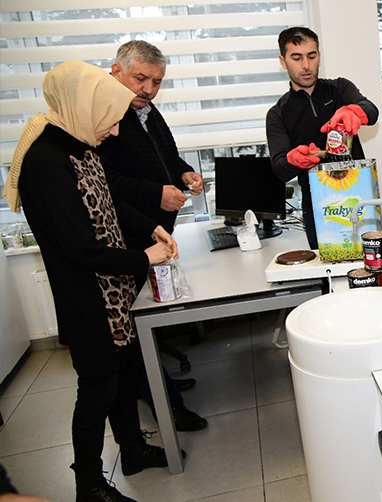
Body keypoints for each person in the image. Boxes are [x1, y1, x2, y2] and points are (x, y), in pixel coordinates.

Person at [4, 60, 181, 502]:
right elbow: (80, 249)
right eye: (110, 121)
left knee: (123, 375)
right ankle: (89, 484)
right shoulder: (46, 162)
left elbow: (110, 202)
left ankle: (133, 450)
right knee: (97, 392)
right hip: (88, 299)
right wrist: (144, 257)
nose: (115, 131)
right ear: (84, 106)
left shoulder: (79, 144)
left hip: (114, 291)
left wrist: (151, 228)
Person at [96, 40, 208, 432]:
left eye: (157, 82)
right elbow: (106, 183)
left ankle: (161, 386)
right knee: (134, 328)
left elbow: (164, 157)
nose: (148, 89)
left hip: (157, 231)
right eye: (140, 78)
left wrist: (183, 172)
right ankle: (170, 406)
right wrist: (156, 193)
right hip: (128, 238)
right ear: (116, 71)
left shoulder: (146, 109)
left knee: (146, 321)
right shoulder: (104, 116)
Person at [266, 26, 379, 249]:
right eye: (297, 58)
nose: (306, 65)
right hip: (317, 205)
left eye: (311, 56)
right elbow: (279, 168)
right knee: (326, 264)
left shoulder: (340, 89)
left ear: (319, 56)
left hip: (359, 196)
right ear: (283, 61)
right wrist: (293, 160)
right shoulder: (278, 113)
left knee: (370, 260)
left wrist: (353, 111)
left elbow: (371, 110)